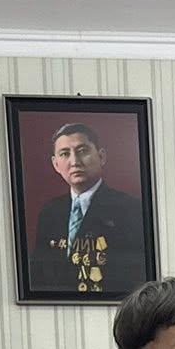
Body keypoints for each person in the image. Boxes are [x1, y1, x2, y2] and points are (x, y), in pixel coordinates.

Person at [30, 122, 147, 296]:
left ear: (101, 156)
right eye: (65, 154)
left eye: (83, 151)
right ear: (56, 164)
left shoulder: (131, 209)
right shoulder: (49, 213)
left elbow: (136, 276)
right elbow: (38, 277)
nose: (74, 162)